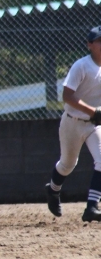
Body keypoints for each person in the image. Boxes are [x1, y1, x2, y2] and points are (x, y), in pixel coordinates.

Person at [46, 25, 101, 222]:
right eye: (99, 41)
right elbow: (67, 96)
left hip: (94, 124)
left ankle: (91, 208)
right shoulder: (82, 66)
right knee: (67, 164)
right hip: (72, 122)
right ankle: (53, 190)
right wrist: (93, 111)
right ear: (89, 44)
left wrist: (95, 115)